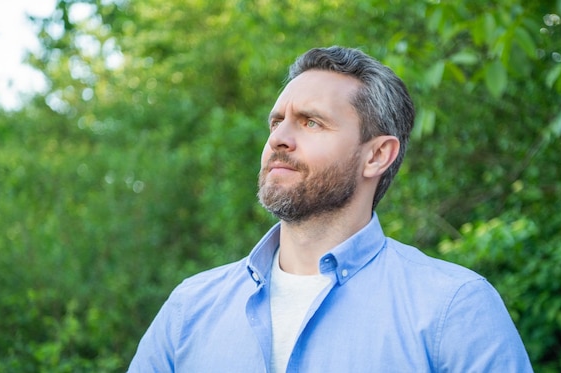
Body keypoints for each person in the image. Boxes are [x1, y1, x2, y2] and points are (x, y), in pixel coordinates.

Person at [128, 46, 533, 372]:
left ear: (376, 156)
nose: (279, 139)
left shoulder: (454, 309)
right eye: (276, 122)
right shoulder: (190, 307)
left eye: (311, 123)